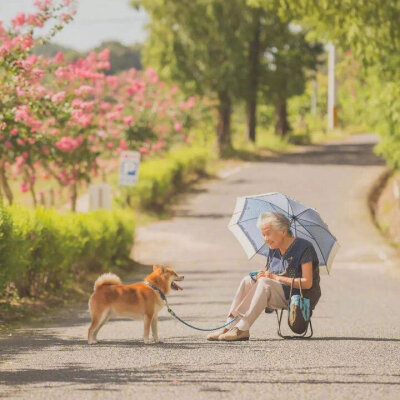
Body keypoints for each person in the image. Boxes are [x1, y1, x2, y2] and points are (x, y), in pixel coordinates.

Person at [207, 211, 321, 341]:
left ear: (283, 232)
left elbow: (307, 283)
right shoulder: (273, 248)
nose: (265, 238)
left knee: (265, 283)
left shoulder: (304, 247)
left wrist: (274, 277)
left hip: (299, 296)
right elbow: (270, 273)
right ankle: (229, 325)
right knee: (247, 281)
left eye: (268, 234)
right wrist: (262, 275)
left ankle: (243, 328)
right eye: (263, 234)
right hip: (279, 292)